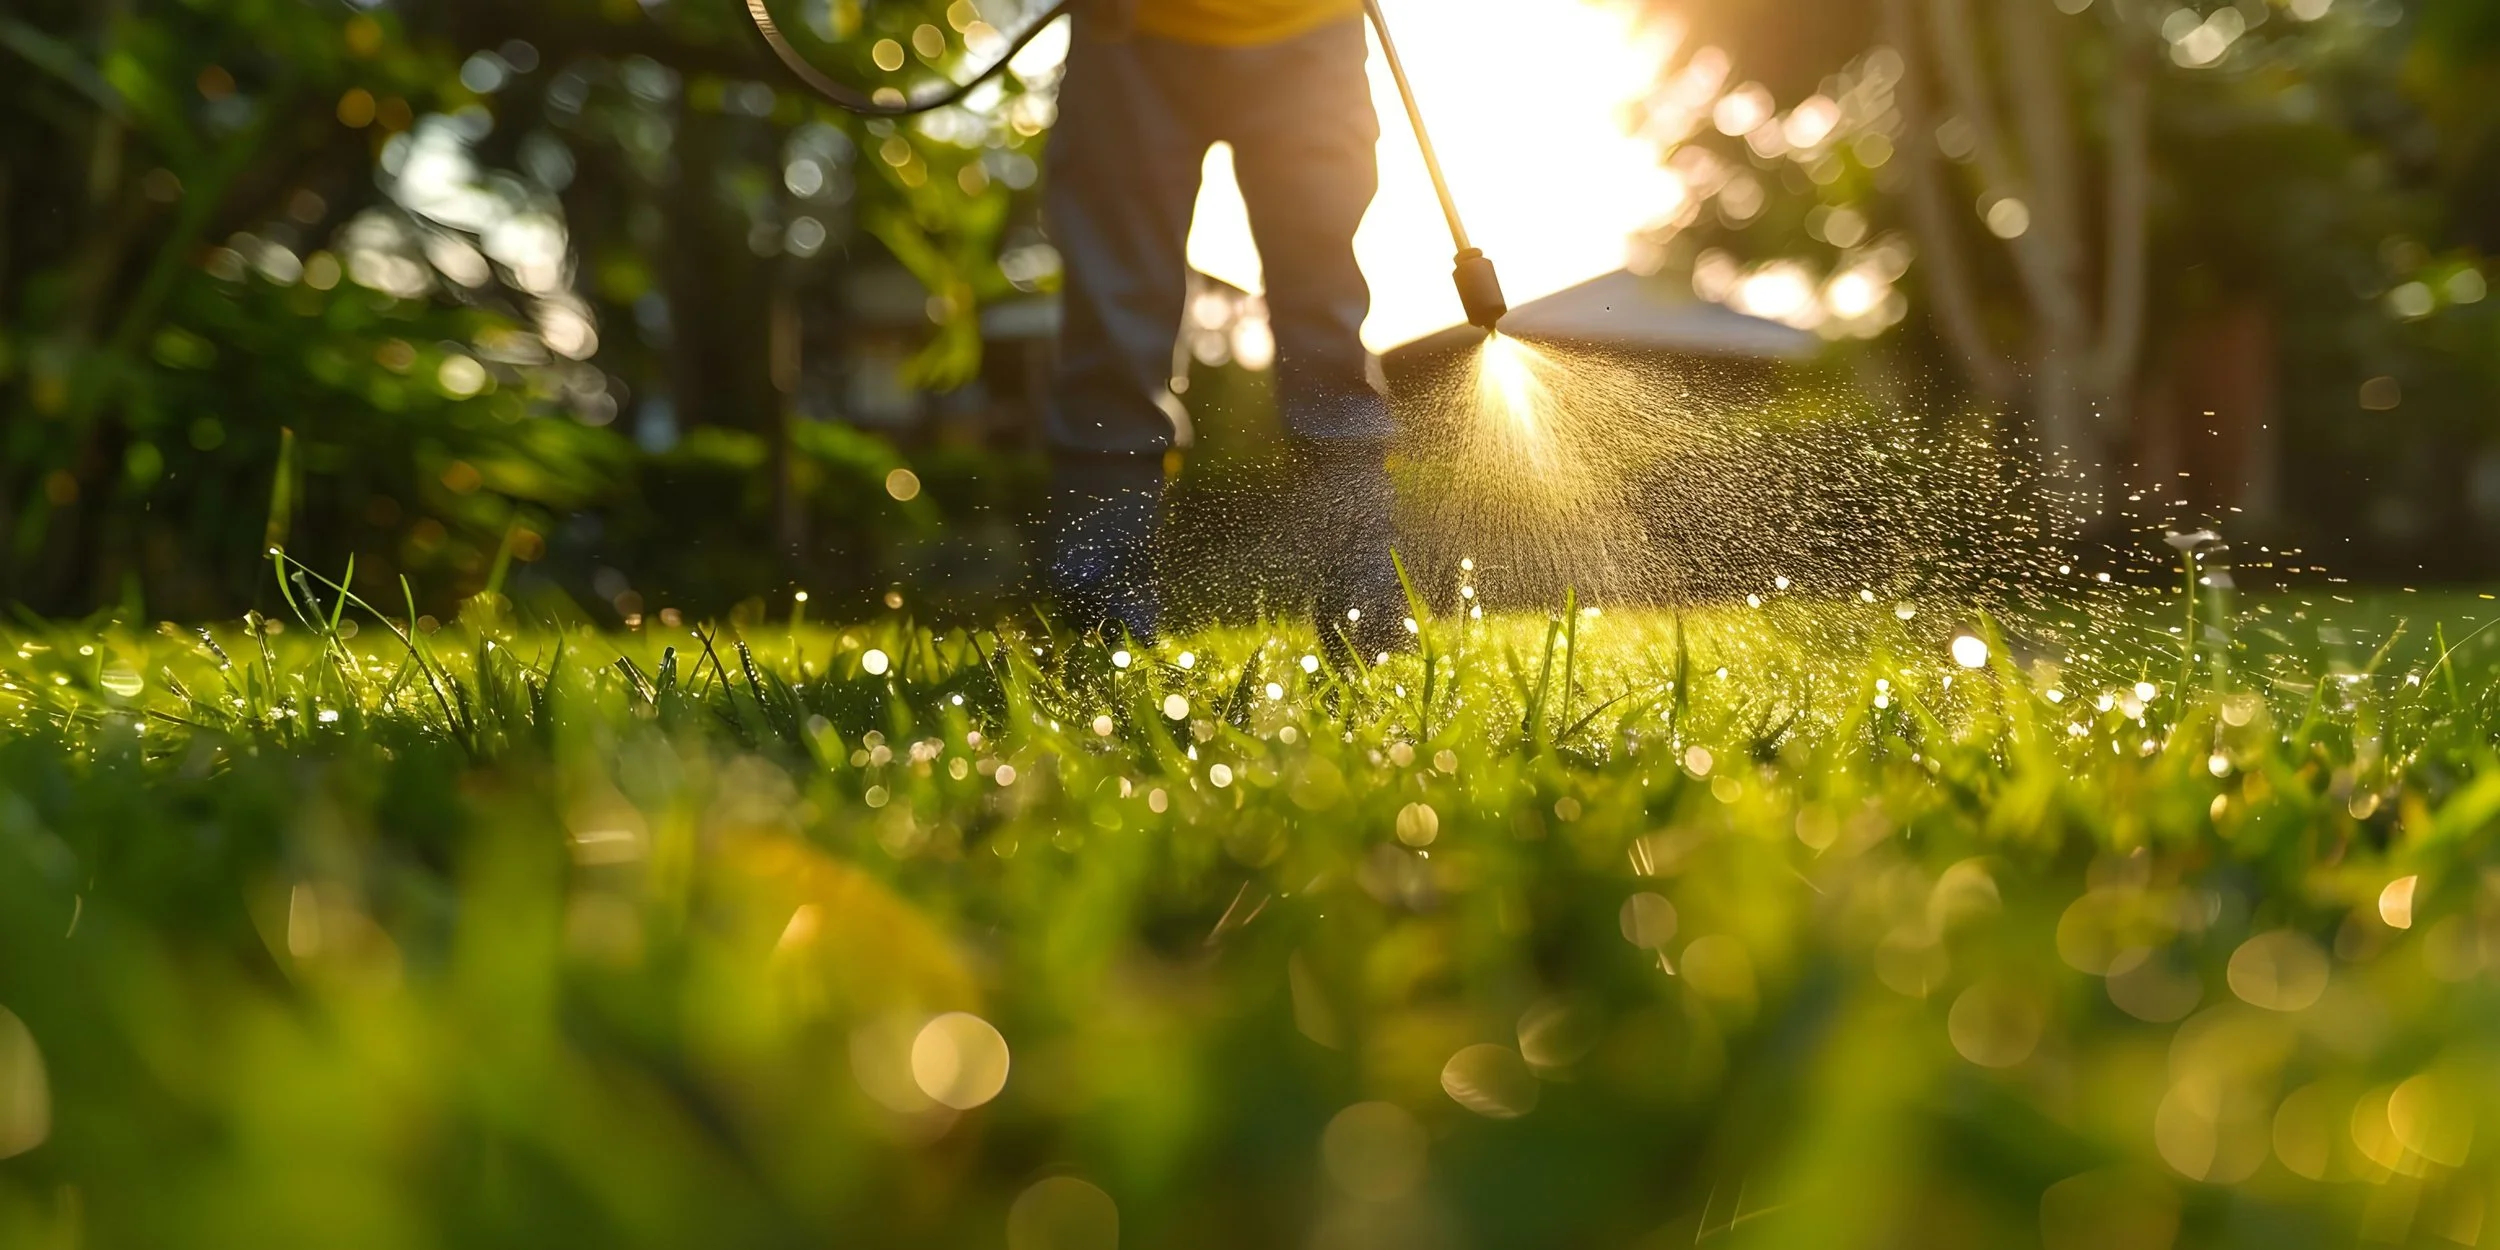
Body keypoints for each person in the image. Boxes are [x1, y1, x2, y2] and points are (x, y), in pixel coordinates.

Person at [1044, 0, 1404, 657]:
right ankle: (1101, 624)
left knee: (1326, 335)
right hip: (1130, 32)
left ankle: (1366, 611)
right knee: (1113, 340)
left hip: (1309, 28)